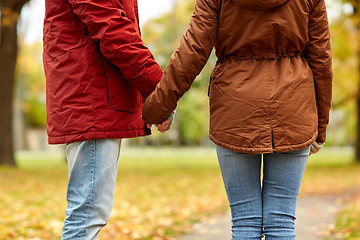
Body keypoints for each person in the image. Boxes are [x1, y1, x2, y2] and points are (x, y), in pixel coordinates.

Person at [141, 0, 332, 239]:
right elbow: (321, 60)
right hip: (293, 109)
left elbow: (192, 51)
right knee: (281, 221)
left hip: (235, 111)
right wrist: (320, 127)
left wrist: (158, 108)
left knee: (245, 220)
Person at [42, 0, 173, 239]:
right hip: (92, 99)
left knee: (88, 212)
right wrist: (159, 91)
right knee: (87, 214)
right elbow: (114, 30)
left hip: (90, 96)